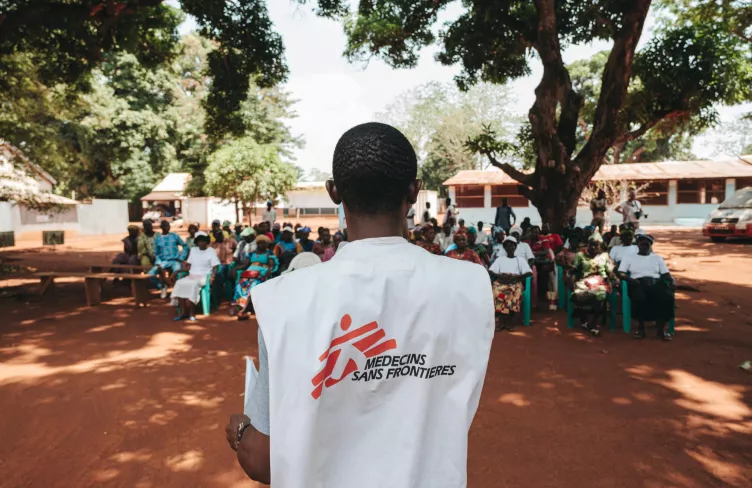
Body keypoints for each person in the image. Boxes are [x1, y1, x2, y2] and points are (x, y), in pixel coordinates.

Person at [225, 122, 493, 487]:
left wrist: (240, 431)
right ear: (413, 192)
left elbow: (263, 461)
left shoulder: (283, 301)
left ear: (334, 192)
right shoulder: (469, 285)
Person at [618, 234, 675, 341]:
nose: (645, 246)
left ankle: (661, 329)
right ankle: (641, 328)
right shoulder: (629, 257)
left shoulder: (657, 258)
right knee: (639, 299)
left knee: (667, 298)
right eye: (642, 244)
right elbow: (621, 273)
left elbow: (666, 274)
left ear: (650, 246)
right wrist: (631, 281)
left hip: (655, 282)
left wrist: (671, 281)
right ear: (638, 245)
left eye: (647, 245)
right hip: (637, 282)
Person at [570, 235, 615, 337]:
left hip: (600, 281)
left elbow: (610, 272)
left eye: (596, 245)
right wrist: (569, 277)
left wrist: (614, 279)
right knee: (577, 295)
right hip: (584, 281)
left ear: (600, 246)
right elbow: (573, 269)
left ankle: (592, 324)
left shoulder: (604, 256)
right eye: (591, 245)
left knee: (600, 294)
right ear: (588, 245)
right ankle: (584, 318)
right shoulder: (580, 255)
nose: (593, 247)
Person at [171, 232, 219, 322]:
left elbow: (215, 266)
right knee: (179, 283)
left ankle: (191, 313)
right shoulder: (193, 250)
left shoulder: (210, 251)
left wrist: (213, 276)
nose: (201, 243)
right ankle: (182, 312)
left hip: (203, 277)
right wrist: (177, 271)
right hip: (192, 275)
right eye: (199, 241)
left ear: (207, 241)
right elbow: (188, 265)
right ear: (196, 242)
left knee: (192, 285)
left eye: (203, 241)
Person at [489, 236, 533, 332]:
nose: (510, 247)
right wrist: (499, 275)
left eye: (512, 245)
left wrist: (517, 277)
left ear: (515, 247)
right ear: (504, 247)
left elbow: (529, 272)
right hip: (501, 281)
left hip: (515, 282)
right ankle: (503, 320)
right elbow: (491, 271)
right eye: (507, 245)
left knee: (512, 293)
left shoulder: (520, 260)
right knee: (496, 291)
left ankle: (507, 320)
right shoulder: (500, 259)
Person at [234, 235, 279, 318]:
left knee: (253, 286)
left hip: (260, 274)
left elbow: (271, 266)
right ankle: (240, 307)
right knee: (239, 285)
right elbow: (245, 264)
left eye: (264, 243)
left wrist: (269, 271)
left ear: (267, 244)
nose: (261, 245)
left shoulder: (269, 254)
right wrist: (235, 268)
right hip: (249, 274)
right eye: (259, 243)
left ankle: (243, 310)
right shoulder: (252, 254)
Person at [151, 220, 187, 298]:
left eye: (168, 226)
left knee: (177, 272)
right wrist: (158, 263)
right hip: (163, 261)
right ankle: (162, 286)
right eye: (165, 226)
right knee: (150, 274)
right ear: (161, 227)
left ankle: (176, 292)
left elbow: (185, 246)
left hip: (175, 260)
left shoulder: (174, 236)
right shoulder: (157, 239)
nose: (167, 227)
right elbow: (156, 253)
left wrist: (181, 257)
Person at [528, 226, 557, 310]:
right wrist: (535, 253)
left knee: (544, 270)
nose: (535, 234)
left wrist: (533, 253)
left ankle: (542, 293)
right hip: (534, 262)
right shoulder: (528, 242)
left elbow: (545, 251)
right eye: (533, 232)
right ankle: (534, 296)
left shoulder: (544, 240)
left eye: (536, 232)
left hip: (544, 262)